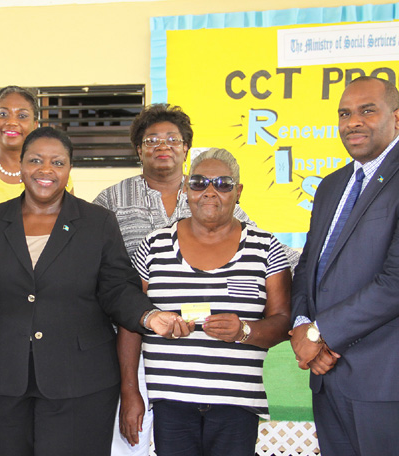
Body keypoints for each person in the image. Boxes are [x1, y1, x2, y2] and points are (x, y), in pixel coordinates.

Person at [0, 127, 191, 456]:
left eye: (57, 162)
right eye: (35, 160)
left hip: (81, 381)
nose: (46, 170)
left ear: (69, 169)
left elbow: (117, 287)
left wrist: (148, 316)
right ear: (20, 166)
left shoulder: (97, 222)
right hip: (3, 378)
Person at [92, 104, 271, 454]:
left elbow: (258, 249)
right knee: (129, 444)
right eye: (152, 139)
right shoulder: (109, 201)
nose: (163, 145)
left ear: (186, 148)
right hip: (129, 345)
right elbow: (94, 271)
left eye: (173, 138)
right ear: (138, 149)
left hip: (200, 359)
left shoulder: (213, 195)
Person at [130, 148, 291, 456]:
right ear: (186, 189)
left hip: (236, 405)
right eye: (200, 182)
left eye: (223, 183)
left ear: (238, 191)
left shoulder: (265, 248)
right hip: (169, 402)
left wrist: (244, 331)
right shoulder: (153, 246)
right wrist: (130, 391)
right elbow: (130, 320)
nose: (210, 192)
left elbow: (283, 322)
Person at [290, 76, 399, 455]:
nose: (353, 122)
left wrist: (321, 335)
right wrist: (303, 324)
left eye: (367, 111)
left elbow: (394, 283)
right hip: (327, 379)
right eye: (344, 113)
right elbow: (308, 266)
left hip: (384, 384)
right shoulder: (331, 186)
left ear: (397, 118)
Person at [0, 85, 73, 204]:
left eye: (22, 116)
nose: (12, 122)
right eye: (3, 114)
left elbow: (70, 219)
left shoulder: (53, 171)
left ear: (35, 125)